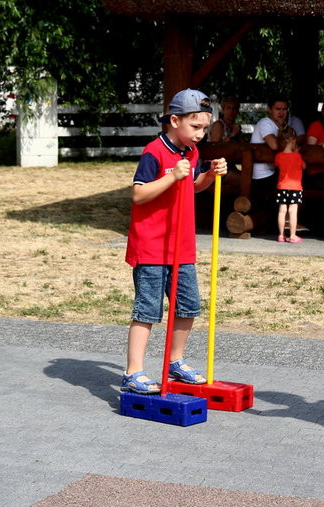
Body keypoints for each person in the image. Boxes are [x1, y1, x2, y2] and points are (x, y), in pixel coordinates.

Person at [122, 88, 227, 394]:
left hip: (181, 246)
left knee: (188, 306)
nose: (201, 134)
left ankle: (175, 362)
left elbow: (190, 187)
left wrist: (208, 176)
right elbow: (138, 194)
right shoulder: (154, 151)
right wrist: (170, 177)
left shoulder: (191, 153)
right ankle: (134, 371)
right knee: (147, 310)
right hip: (151, 246)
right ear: (174, 120)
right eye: (196, 127)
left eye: (205, 128)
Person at [274, 127, 306, 243]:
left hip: (282, 186)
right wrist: (297, 153)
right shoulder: (297, 156)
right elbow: (304, 166)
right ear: (293, 140)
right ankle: (292, 235)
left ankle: (281, 235)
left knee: (282, 211)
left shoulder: (278, 156)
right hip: (295, 187)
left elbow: (277, 164)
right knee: (293, 211)